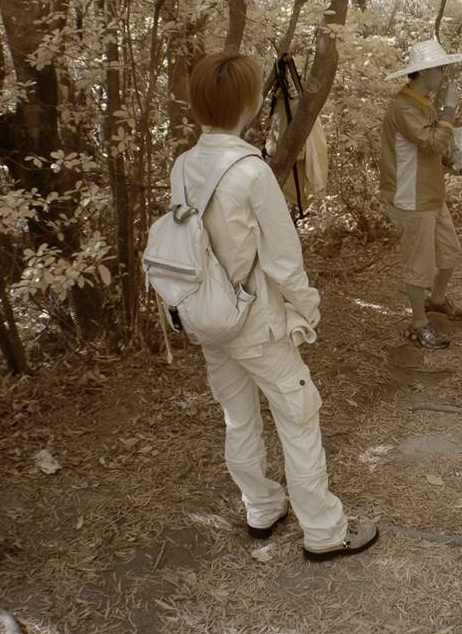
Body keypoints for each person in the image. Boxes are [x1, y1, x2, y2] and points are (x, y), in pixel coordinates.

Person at [176, 53, 377, 561]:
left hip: (210, 318)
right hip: (257, 323)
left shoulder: (184, 166)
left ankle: (261, 508)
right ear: (248, 104)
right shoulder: (251, 171)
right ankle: (324, 531)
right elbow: (284, 258)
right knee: (298, 416)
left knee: (239, 417)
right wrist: (307, 309)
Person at [380, 39, 462, 349]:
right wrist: (450, 109)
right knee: (420, 265)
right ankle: (418, 324)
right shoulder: (403, 106)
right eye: (440, 69)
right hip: (412, 196)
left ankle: (437, 299)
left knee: (450, 251)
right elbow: (431, 142)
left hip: (431, 193)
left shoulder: (423, 101)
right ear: (424, 72)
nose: (443, 74)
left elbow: (430, 148)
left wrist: (451, 162)